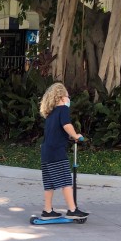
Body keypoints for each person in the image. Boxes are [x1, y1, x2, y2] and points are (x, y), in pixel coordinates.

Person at [39, 82, 89, 219]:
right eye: (68, 96)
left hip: (46, 152)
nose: (69, 99)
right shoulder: (63, 110)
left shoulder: (50, 114)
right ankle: (72, 210)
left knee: (49, 183)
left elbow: (56, 132)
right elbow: (67, 125)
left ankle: (47, 211)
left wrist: (69, 137)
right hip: (56, 152)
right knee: (66, 180)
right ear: (61, 97)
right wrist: (75, 135)